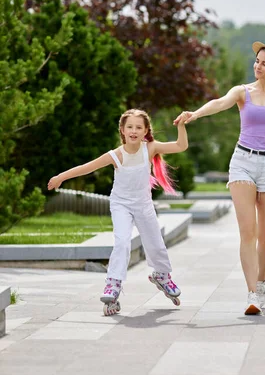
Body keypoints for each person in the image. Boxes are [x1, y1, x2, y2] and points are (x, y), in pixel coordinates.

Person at [174, 40, 265, 315]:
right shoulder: (243, 92)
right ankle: (251, 294)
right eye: (256, 60)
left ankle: (261, 277)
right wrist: (194, 114)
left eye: (264, 63)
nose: (257, 66)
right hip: (243, 163)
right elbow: (219, 103)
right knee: (248, 232)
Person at [48, 108, 189, 315]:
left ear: (146, 130)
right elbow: (87, 167)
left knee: (155, 243)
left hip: (143, 204)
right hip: (121, 204)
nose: (134, 131)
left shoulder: (150, 148)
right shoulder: (115, 155)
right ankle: (113, 283)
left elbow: (180, 145)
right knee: (122, 241)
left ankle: (162, 275)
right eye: (129, 127)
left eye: (138, 127)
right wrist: (61, 177)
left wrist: (182, 126)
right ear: (122, 130)